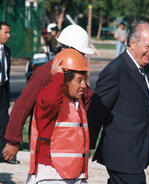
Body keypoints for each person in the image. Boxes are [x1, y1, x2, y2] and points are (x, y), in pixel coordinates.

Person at [2, 24, 94, 162]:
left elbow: (86, 101)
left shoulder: (75, 73)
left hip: (70, 149)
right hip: (47, 148)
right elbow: (22, 106)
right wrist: (13, 141)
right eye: (80, 53)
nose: (82, 57)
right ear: (64, 49)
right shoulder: (45, 73)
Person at [87, 22, 149, 184]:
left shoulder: (147, 70)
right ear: (133, 43)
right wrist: (87, 146)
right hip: (122, 154)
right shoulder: (115, 70)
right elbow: (96, 112)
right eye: (148, 46)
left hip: (139, 153)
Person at [26, 49, 90, 184]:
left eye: (84, 80)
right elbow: (51, 100)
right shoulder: (47, 98)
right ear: (65, 80)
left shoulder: (77, 102)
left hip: (75, 174)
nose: (84, 85)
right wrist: (58, 76)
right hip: (51, 174)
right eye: (79, 80)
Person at [0, 21, 18, 164]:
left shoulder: (7, 50)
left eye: (9, 32)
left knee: (4, 122)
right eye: (6, 32)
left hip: (3, 90)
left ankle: (2, 154)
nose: (9, 35)